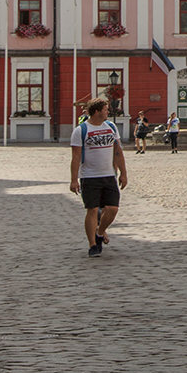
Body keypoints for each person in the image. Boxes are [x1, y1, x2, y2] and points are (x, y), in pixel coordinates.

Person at [68, 96, 128, 257]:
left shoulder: (111, 127)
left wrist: (123, 173)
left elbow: (118, 151)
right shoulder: (81, 130)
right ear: (96, 112)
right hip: (89, 176)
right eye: (105, 110)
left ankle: (100, 231)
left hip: (109, 175)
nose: (108, 112)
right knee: (92, 209)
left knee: (113, 208)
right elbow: (75, 157)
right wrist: (74, 180)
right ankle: (93, 245)